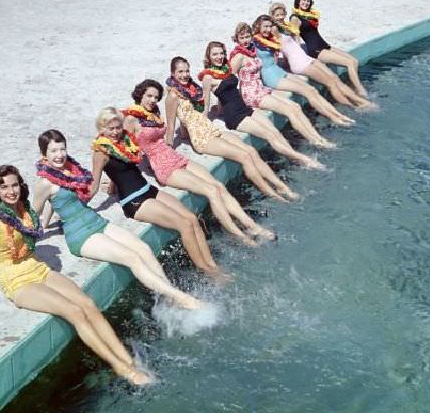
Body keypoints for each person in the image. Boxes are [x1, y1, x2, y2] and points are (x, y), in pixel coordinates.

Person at [0, 165, 152, 385]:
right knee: (74, 311)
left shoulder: (25, 209)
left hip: (38, 267)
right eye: (4, 187)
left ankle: (126, 357)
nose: (10, 191)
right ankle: (122, 368)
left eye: (14, 185)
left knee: (87, 303)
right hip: (18, 281)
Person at [33, 129, 203, 310]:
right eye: (53, 151)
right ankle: (183, 299)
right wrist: (35, 233)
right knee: (132, 258)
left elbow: (57, 200)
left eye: (62, 149)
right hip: (81, 234)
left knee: (143, 248)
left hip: (96, 221)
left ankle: (169, 295)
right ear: (44, 154)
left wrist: (46, 222)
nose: (59, 155)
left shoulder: (70, 170)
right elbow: (35, 210)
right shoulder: (44, 183)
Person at [125, 79, 276, 246]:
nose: (153, 100)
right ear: (140, 94)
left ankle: (252, 226)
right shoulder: (131, 118)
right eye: (149, 96)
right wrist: (113, 183)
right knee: (211, 191)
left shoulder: (153, 112)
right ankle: (240, 235)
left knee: (218, 186)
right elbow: (122, 150)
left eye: (155, 97)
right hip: (164, 167)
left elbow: (168, 134)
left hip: (175, 157)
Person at [90, 107, 232, 277]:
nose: (115, 132)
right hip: (134, 201)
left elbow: (121, 168)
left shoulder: (125, 141)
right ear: (101, 129)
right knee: (184, 225)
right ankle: (208, 272)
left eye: (117, 127)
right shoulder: (101, 152)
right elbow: (93, 186)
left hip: (148, 189)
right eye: (109, 128)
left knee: (192, 219)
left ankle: (212, 265)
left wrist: (113, 188)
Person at [165, 56, 299, 202]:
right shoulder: (172, 96)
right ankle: (271, 192)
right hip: (203, 139)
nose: (184, 75)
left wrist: (185, 133)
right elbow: (171, 125)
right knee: (244, 157)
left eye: (187, 71)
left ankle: (281, 186)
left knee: (251, 151)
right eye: (180, 72)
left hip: (211, 129)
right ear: (173, 73)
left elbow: (189, 117)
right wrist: (168, 152)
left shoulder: (190, 89)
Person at [199, 40, 325, 170]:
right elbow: (205, 104)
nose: (219, 57)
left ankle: (295, 155)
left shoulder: (225, 68)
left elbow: (225, 93)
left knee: (274, 131)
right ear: (208, 56)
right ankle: (302, 159)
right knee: (268, 135)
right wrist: (205, 122)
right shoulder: (207, 78)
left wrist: (220, 110)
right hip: (235, 117)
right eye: (214, 54)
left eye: (221, 53)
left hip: (245, 108)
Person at [229, 22, 346, 148]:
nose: (245, 40)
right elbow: (228, 79)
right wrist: (233, 101)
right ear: (236, 39)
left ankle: (317, 137)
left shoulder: (251, 49)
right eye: (242, 37)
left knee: (295, 106)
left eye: (247, 36)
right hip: (251, 94)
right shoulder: (239, 56)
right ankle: (315, 140)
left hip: (261, 89)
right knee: (289, 110)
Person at [252, 14, 373, 110]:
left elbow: (285, 48)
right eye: (277, 14)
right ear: (272, 17)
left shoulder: (282, 29)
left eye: (283, 13)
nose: (281, 16)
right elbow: (266, 51)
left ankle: (358, 100)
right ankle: (353, 106)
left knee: (334, 78)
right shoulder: (273, 32)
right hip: (300, 63)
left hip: (305, 58)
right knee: (330, 83)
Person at [288, 0, 371, 100]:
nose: (306, 3)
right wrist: (299, 57)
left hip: (324, 45)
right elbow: (296, 38)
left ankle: (353, 85)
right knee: (349, 63)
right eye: (304, 0)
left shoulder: (309, 15)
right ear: (298, 0)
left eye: (308, 1)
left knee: (354, 61)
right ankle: (361, 91)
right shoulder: (295, 18)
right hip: (316, 50)